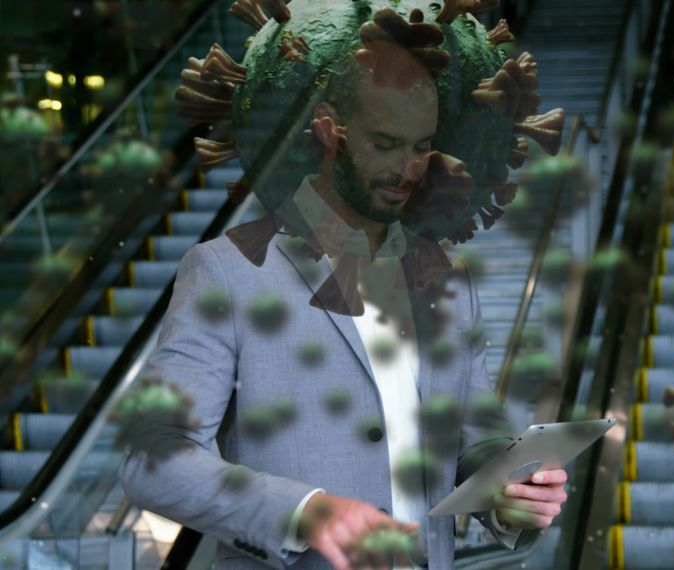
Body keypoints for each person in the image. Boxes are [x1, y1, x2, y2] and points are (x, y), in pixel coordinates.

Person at [118, 16, 567, 570]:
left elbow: (473, 438)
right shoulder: (225, 271)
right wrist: (305, 512)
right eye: (385, 143)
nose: (409, 169)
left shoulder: (447, 279)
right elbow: (152, 456)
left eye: (422, 147)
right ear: (330, 131)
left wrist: (507, 492)